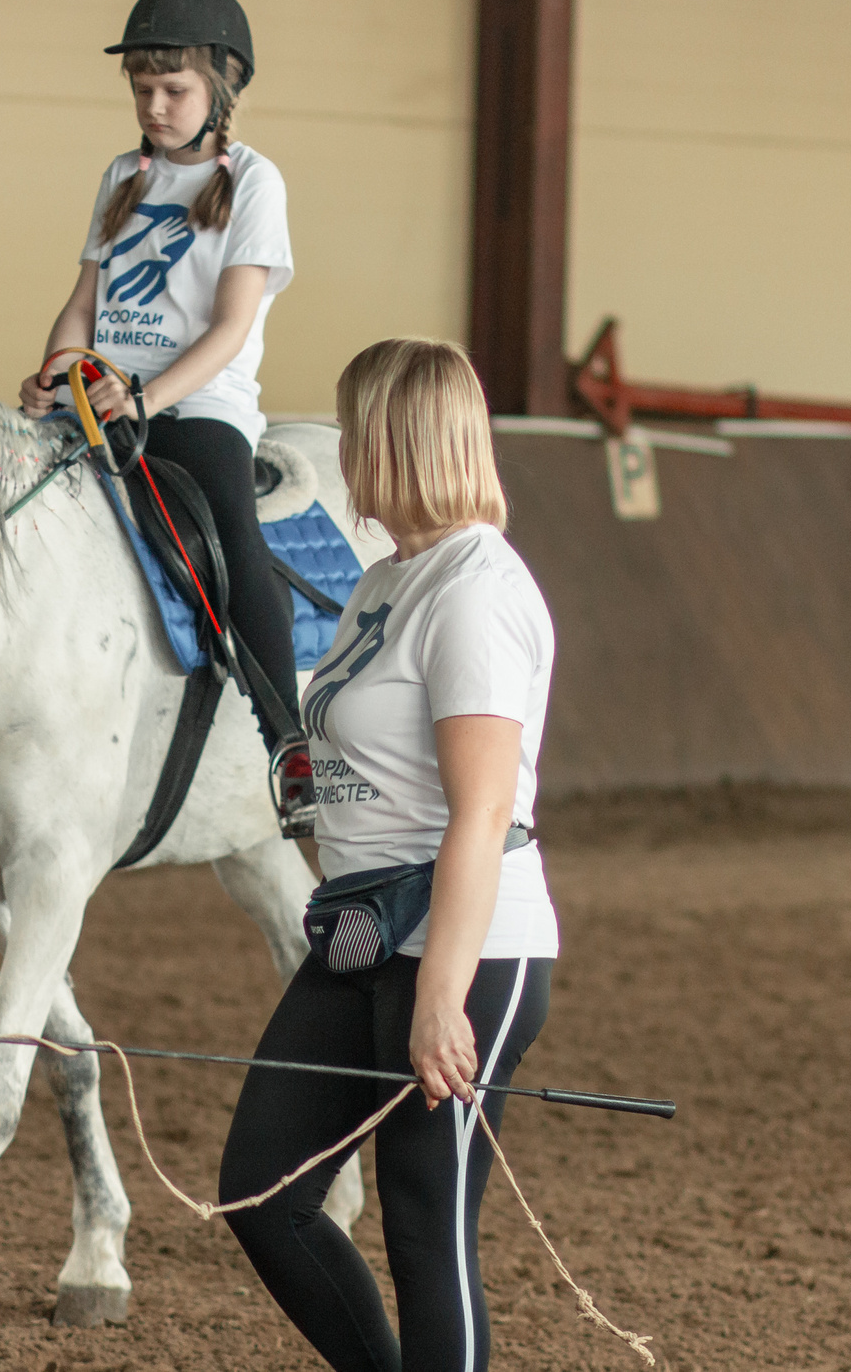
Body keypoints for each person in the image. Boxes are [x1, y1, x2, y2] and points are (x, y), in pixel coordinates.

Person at [217, 337, 559, 1372]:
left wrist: (440, 998)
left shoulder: (475, 592)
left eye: (353, 426)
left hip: (466, 950)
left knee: (422, 1228)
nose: (341, 447)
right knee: (264, 1187)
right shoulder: (385, 584)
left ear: (395, 439)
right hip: (367, 933)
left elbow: (481, 811)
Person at [17, 0, 308, 814]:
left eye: (172, 90)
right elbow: (83, 304)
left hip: (199, 409)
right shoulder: (121, 175)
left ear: (222, 88)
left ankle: (287, 738)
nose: (154, 105)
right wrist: (54, 372)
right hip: (103, 400)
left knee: (231, 532)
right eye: (142, 89)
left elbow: (227, 328)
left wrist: (143, 400)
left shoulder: (255, 183)